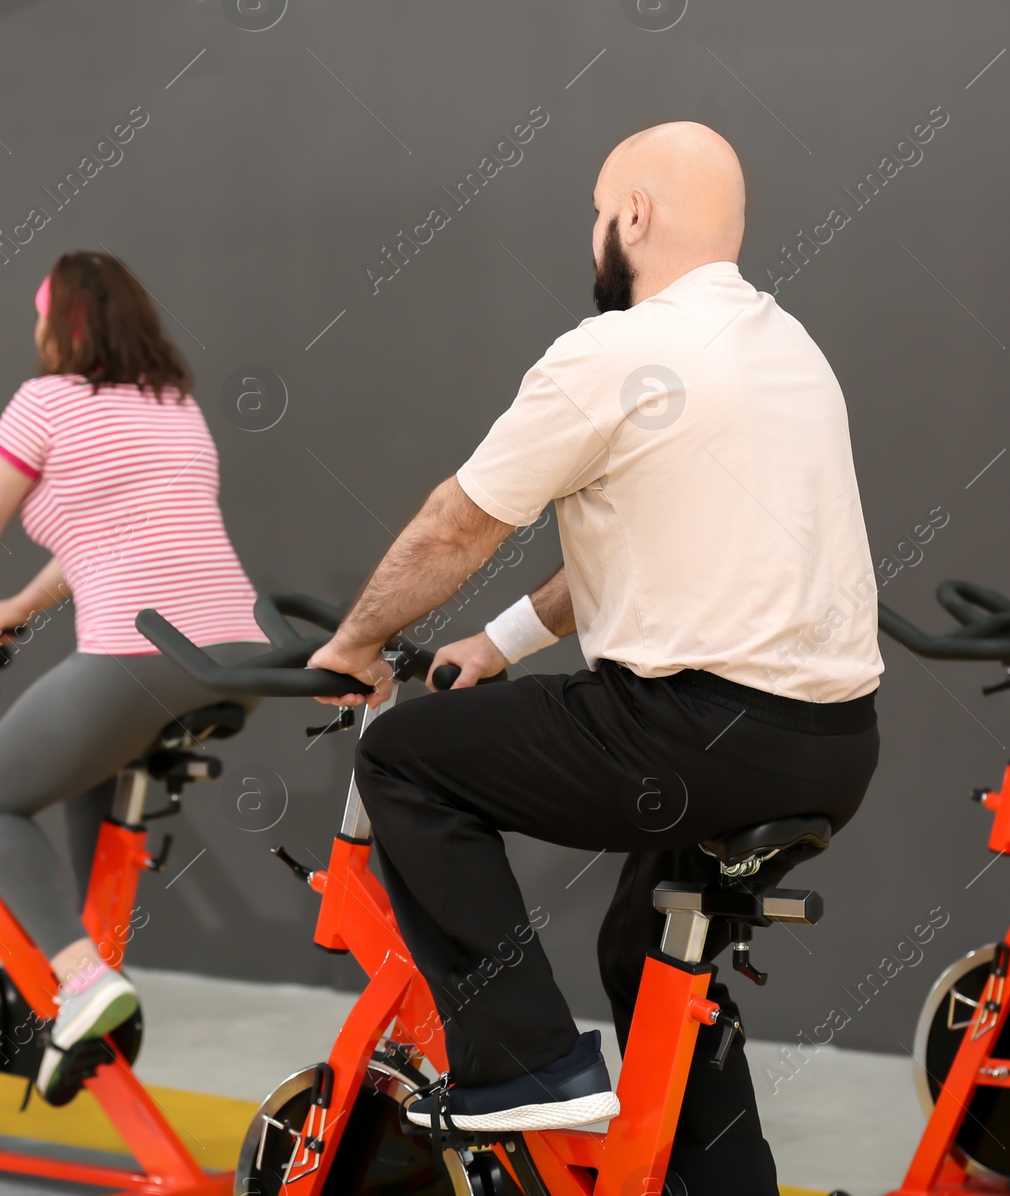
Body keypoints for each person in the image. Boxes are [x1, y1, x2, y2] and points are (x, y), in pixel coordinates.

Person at [307, 122, 883, 1191]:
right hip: (833, 747)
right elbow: (645, 538)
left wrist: (353, 644)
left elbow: (453, 527)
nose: (592, 237)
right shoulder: (788, 348)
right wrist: (496, 641)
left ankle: (525, 1061)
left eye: (593, 213)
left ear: (635, 215)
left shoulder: (612, 351)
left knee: (405, 758)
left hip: (689, 732)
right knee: (644, 943)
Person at [0, 251, 267, 1100]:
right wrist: (24, 603)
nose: (35, 332)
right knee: (90, 768)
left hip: (143, 654)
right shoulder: (172, 402)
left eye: (41, 317)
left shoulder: (45, 400)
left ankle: (83, 982)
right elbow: (118, 529)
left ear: (65, 322)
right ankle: (85, 985)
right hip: (237, 654)